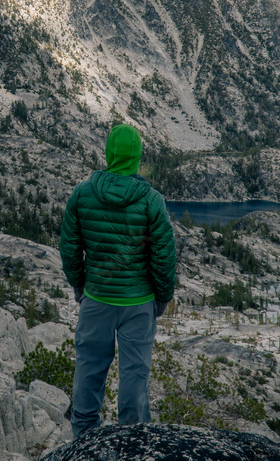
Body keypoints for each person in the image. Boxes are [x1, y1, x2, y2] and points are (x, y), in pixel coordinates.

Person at [59, 124, 176, 438]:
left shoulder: (83, 193)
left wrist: (79, 285)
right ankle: (134, 443)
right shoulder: (151, 200)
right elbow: (164, 257)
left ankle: (83, 441)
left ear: (109, 154)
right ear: (137, 158)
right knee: (135, 378)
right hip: (138, 304)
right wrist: (162, 297)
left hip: (96, 299)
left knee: (88, 370)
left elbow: (70, 247)